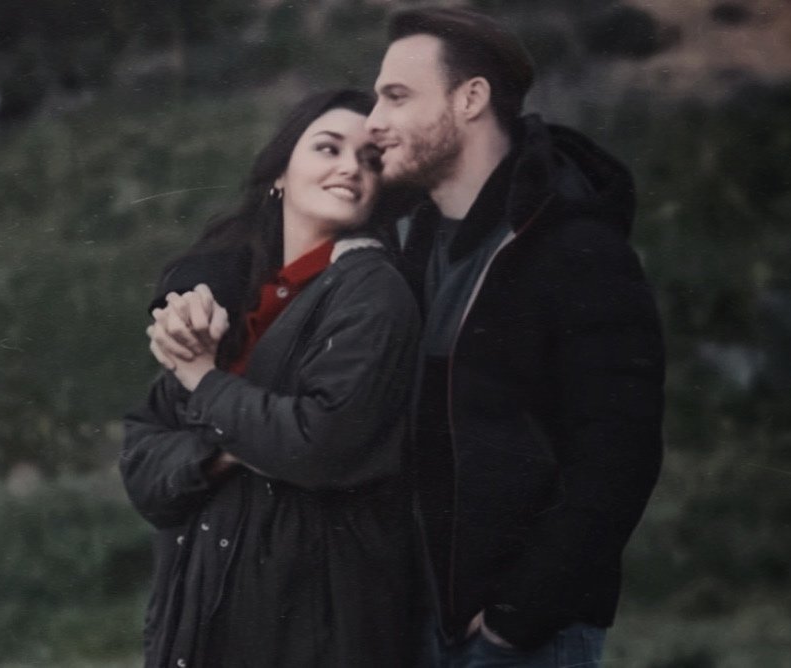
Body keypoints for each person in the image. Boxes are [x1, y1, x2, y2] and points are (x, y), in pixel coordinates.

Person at [153, 7, 666, 667]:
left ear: (470, 99)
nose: (374, 122)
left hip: (521, 636)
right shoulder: (413, 234)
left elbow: (619, 457)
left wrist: (519, 616)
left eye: (396, 96)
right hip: (412, 621)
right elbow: (272, 223)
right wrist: (192, 291)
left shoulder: (573, 248)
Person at [119, 89, 424, 667]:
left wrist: (205, 380)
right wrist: (231, 449)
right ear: (281, 172)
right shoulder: (237, 295)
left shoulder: (372, 291)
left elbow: (318, 443)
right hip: (200, 616)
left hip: (313, 621)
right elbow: (142, 463)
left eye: (369, 160)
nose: (350, 168)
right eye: (328, 148)